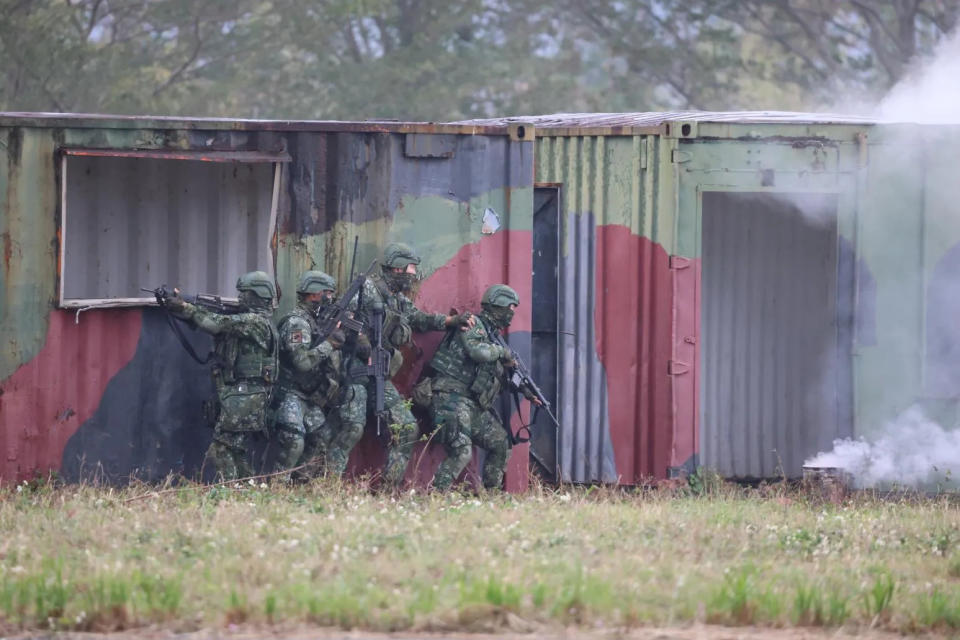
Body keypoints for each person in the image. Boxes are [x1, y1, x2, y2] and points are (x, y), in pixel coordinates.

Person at [343, 242, 472, 487]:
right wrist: (362, 343)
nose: (414, 274)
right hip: (354, 373)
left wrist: (451, 321)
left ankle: (388, 490)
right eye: (411, 268)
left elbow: (419, 319)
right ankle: (320, 484)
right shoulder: (367, 288)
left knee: (407, 428)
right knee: (350, 428)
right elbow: (345, 320)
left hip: (378, 373)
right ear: (398, 268)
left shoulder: (397, 299)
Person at [166, 271, 279, 480]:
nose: (240, 298)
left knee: (220, 449)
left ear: (255, 295)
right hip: (245, 395)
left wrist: (184, 307)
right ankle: (246, 488)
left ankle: (230, 490)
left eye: (244, 293)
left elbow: (217, 324)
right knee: (235, 448)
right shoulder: (257, 321)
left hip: (246, 397)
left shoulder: (255, 321)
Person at [427, 284, 532, 491]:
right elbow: (478, 352)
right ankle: (436, 496)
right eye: (510, 308)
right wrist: (503, 353)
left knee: (500, 443)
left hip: (470, 404)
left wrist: (527, 391)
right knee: (462, 451)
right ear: (498, 306)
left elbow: (503, 377)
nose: (511, 313)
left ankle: (491, 494)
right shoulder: (475, 325)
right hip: (450, 398)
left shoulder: (493, 336)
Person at [273, 270, 345, 479]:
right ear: (314, 294)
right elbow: (302, 363)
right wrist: (329, 345)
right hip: (290, 392)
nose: (330, 298)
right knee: (294, 442)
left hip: (308, 394)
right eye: (327, 293)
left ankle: (301, 484)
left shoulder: (315, 321)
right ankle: (278, 486)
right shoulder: (298, 323)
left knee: (323, 437)